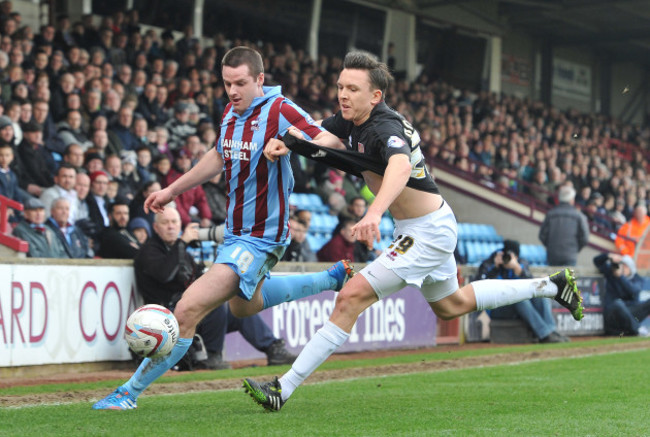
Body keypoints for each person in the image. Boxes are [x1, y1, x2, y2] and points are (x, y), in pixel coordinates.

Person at [243, 50, 584, 411]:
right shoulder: (352, 119)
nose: (343, 94)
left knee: (349, 298)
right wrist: (291, 143)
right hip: (423, 225)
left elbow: (400, 167)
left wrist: (374, 212)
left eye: (352, 89)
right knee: (453, 305)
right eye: (341, 86)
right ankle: (552, 286)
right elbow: (325, 137)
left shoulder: (384, 128)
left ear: (375, 96)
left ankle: (284, 387)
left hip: (427, 231)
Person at [93, 46, 352, 410]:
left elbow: (331, 139)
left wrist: (292, 142)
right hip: (236, 232)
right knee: (246, 308)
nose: (233, 91)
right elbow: (218, 156)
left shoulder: (279, 109)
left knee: (187, 309)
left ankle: (127, 393)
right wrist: (171, 190)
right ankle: (330, 279)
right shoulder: (232, 110)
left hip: (260, 236)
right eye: (227, 83)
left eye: (241, 83)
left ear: (260, 79)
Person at [135, 207, 296, 370]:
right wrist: (182, 242)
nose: (170, 226)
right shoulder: (149, 251)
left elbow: (201, 280)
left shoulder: (181, 251)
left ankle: (273, 348)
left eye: (174, 222)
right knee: (214, 303)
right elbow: (165, 274)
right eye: (165, 222)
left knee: (237, 307)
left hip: (191, 313)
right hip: (166, 319)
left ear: (180, 225)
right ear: (156, 227)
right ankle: (212, 356)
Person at [477, 239, 569, 343]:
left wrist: (517, 269)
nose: (509, 259)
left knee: (541, 295)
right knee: (519, 299)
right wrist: (495, 268)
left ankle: (552, 331)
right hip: (496, 307)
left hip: (517, 306)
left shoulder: (521, 263)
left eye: (513, 257)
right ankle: (545, 335)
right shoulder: (490, 263)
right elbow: (480, 286)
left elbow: (531, 286)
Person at [593, 252, 650, 336]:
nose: (623, 268)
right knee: (618, 303)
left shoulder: (637, 279)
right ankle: (637, 329)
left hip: (630, 313)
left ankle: (633, 328)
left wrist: (621, 277)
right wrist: (609, 256)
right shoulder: (611, 273)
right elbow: (597, 261)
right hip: (613, 315)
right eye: (622, 265)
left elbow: (632, 291)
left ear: (631, 268)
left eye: (626, 266)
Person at [538, 184, 590, 266]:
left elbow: (542, 235)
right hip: (570, 256)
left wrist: (551, 246)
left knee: (554, 278)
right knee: (566, 278)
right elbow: (585, 238)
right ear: (572, 200)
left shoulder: (550, 214)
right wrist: (575, 249)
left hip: (552, 256)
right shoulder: (579, 216)